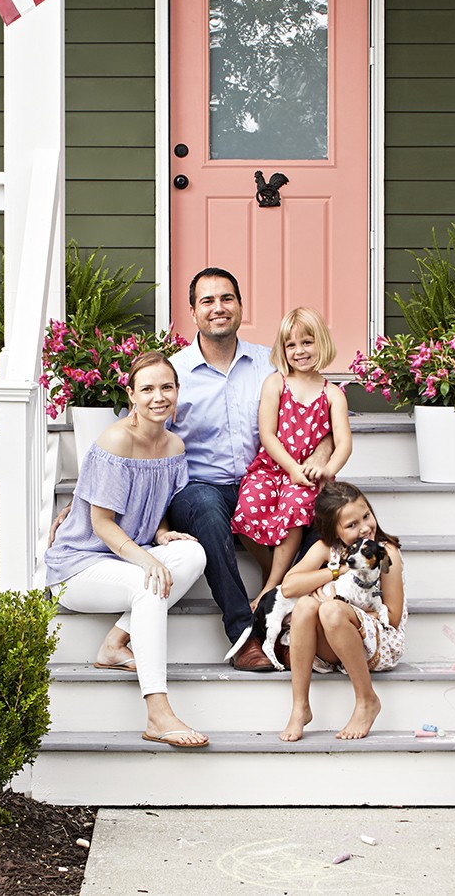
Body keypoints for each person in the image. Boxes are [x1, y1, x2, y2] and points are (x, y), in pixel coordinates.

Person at [168, 267, 332, 673]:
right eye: (207, 301)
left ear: (240, 306)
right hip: (202, 486)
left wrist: (322, 455)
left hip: (267, 479)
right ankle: (247, 636)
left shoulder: (270, 363)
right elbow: (140, 437)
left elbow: (319, 412)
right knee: (207, 509)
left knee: (325, 512)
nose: (218, 308)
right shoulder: (175, 373)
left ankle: (297, 626)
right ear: (192, 312)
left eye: (227, 299)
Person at [45, 349, 209, 749]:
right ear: (131, 394)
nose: (158, 397)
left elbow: (157, 506)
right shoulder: (117, 439)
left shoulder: (173, 447)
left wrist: (165, 533)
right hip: (80, 565)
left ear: (177, 391)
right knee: (148, 584)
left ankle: (115, 642)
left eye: (166, 387)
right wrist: (148, 557)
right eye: (147, 388)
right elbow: (101, 524)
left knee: (193, 554)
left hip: (128, 555)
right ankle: (157, 711)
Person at [231, 306, 352, 606]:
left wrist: (327, 470)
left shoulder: (333, 393)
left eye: (307, 342)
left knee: (296, 506)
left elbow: (344, 442)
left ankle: (272, 587)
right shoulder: (276, 383)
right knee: (247, 509)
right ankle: (269, 568)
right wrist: (290, 467)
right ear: (283, 349)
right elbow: (268, 435)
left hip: (308, 477)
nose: (299, 351)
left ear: (321, 342)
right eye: (291, 344)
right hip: (271, 468)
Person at [278, 480, 407, 744]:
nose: (364, 528)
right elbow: (289, 586)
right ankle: (300, 706)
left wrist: (340, 610)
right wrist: (338, 570)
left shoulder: (383, 552)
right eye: (351, 525)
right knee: (305, 606)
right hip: (332, 646)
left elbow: (391, 616)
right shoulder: (328, 550)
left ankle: (366, 699)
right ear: (334, 531)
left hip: (377, 643)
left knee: (331, 611)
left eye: (366, 516)